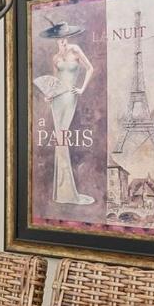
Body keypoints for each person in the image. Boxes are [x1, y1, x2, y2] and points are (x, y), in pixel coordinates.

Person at [36, 20, 96, 205]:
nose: (62, 42)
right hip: (57, 98)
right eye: (59, 40)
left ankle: (68, 191)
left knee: (62, 136)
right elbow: (54, 81)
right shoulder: (55, 58)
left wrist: (82, 88)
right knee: (59, 138)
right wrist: (49, 96)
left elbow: (90, 68)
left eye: (64, 39)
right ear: (56, 40)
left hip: (70, 95)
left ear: (68, 38)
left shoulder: (76, 50)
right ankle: (62, 191)